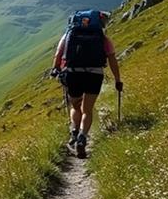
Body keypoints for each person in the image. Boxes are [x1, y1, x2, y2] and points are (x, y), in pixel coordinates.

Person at [49, 10, 122, 157]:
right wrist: (117, 79)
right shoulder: (102, 38)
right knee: (87, 109)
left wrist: (56, 69)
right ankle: (82, 138)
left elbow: (58, 54)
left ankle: (74, 132)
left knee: (75, 106)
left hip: (73, 73)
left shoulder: (68, 35)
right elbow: (112, 60)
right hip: (95, 74)